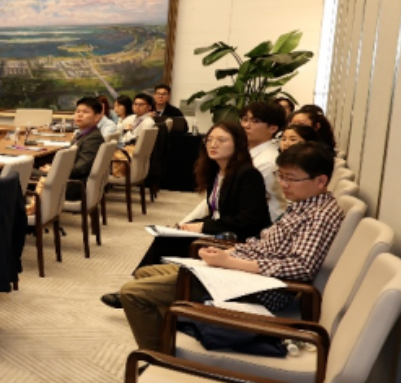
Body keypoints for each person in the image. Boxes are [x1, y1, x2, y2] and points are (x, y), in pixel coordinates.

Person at [111, 142, 344, 351]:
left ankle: (157, 357)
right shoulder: (303, 204)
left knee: (133, 294)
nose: (283, 184)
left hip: (259, 289)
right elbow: (267, 244)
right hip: (244, 273)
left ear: (320, 181)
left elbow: (301, 267)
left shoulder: (319, 215)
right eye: (280, 176)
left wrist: (231, 263)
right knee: (146, 273)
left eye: (291, 178)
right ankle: (171, 334)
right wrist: (228, 253)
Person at [112, 122, 270, 284]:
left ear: (238, 144)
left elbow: (248, 219)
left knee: (169, 243)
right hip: (222, 229)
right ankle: (142, 282)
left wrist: (202, 226)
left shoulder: (248, 174)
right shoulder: (216, 171)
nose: (213, 144)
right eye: (209, 140)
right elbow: (216, 211)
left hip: (239, 237)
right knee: (166, 237)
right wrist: (185, 226)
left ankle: (142, 284)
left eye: (221, 140)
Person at [37, 97, 106, 201]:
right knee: (34, 166)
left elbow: (81, 169)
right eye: (78, 111)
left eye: (85, 112)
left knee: (21, 174)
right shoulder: (84, 134)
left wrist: (54, 169)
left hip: (74, 185)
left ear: (97, 117)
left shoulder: (93, 138)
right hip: (70, 179)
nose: (79, 115)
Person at [240, 101, 286, 221]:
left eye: (255, 121)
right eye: (244, 119)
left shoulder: (268, 161)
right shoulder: (242, 152)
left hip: (262, 222)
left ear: (273, 128)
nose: (246, 125)